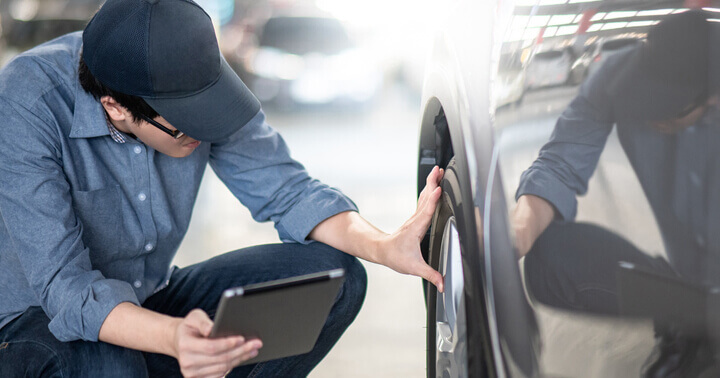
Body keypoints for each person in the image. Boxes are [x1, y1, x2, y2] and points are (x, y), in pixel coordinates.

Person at [0, 0, 445, 377]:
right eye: (185, 127)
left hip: (147, 295)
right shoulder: (28, 103)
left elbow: (288, 190)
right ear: (114, 107)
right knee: (110, 358)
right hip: (35, 324)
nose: (204, 130)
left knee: (333, 281)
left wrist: (385, 245)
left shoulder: (190, 80)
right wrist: (173, 337)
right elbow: (66, 288)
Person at [511, 9, 720, 377]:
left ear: (711, 99)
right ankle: (689, 327)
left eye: (667, 109)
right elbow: (560, 164)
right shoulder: (618, 78)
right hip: (689, 286)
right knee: (552, 254)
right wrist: (517, 233)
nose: (650, 114)